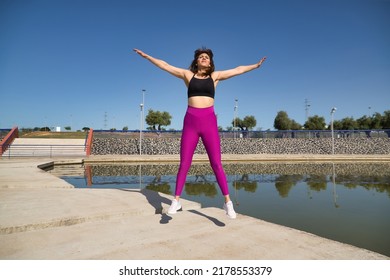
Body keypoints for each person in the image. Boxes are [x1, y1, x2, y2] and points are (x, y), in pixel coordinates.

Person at [134, 47, 266, 219]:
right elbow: (165, 66)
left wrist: (255, 66)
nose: (204, 58)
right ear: (196, 61)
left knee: (217, 164)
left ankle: (227, 202)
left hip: (209, 122)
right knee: (184, 163)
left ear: (210, 62)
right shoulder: (188, 75)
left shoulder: (215, 77)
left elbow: (238, 69)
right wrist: (147, 56)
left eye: (206, 57)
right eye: (201, 57)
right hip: (191, 122)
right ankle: (176, 200)